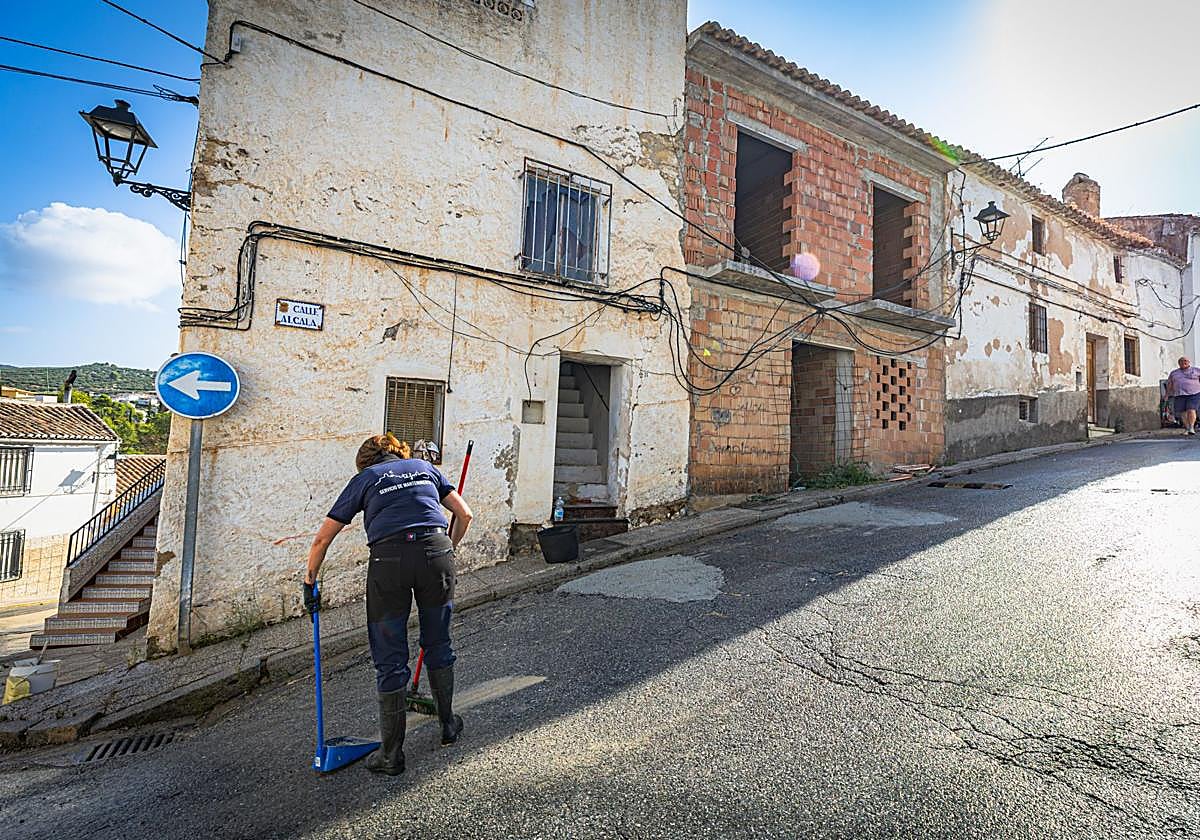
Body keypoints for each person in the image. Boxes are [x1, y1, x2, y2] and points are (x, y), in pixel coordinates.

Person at [302, 432, 473, 776]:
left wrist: (309, 581)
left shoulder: (366, 478)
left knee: (390, 656)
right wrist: (447, 550)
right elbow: (465, 514)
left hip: (389, 562)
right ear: (399, 452)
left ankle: (392, 755)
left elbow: (323, 538)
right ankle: (448, 726)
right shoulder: (424, 468)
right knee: (438, 643)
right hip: (436, 553)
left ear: (365, 460)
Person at [1166, 357, 1200, 436]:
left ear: (1189, 362)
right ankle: (1187, 428)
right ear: (1179, 363)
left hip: (1194, 393)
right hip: (1179, 394)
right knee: (1182, 412)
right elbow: (1170, 383)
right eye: (1181, 361)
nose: (1183, 362)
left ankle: (1191, 427)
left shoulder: (1196, 370)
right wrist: (1167, 394)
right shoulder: (1174, 373)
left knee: (1191, 409)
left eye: (1185, 361)